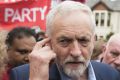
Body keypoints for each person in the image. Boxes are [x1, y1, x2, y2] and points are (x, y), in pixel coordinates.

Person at [10, 1, 120, 80]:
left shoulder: (110, 75)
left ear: (93, 40)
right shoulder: (22, 75)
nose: (76, 52)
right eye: (64, 41)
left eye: (83, 40)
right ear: (48, 42)